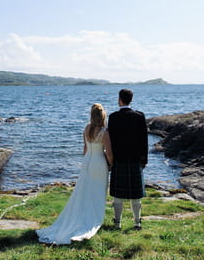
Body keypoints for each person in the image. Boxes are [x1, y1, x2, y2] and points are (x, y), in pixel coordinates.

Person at [36, 103, 114, 245]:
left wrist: (85, 163)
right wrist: (111, 164)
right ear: (103, 115)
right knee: (97, 191)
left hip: (87, 161)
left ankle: (82, 215)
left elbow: (85, 149)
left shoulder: (86, 128)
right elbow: (108, 152)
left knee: (84, 191)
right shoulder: (104, 131)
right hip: (98, 162)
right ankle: (93, 217)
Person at [108, 88, 148, 230]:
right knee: (136, 195)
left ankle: (117, 223)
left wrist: (110, 161)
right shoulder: (139, 116)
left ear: (120, 99)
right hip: (135, 159)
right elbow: (144, 140)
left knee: (118, 194)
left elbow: (110, 141)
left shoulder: (113, 117)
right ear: (131, 99)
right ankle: (137, 223)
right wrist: (145, 160)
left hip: (119, 160)